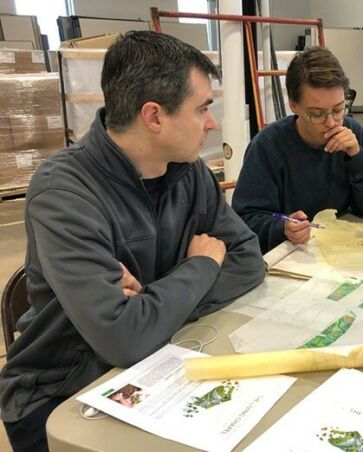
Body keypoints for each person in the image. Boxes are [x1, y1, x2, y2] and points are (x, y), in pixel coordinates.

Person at [0, 31, 265, 452]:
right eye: (202, 110)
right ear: (154, 117)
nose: (211, 123)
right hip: (60, 395)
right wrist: (200, 266)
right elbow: (124, 339)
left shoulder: (191, 174)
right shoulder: (64, 193)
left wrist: (149, 308)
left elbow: (249, 261)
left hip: (158, 362)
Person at [232, 46, 363, 253]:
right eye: (316, 114)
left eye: (338, 109)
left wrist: (357, 158)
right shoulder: (268, 146)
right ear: (293, 105)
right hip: (293, 255)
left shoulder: (352, 133)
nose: (331, 123)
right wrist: (281, 228)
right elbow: (244, 219)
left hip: (342, 246)